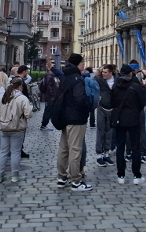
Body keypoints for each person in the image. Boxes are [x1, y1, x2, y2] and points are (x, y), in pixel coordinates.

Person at [55, 53, 92, 191]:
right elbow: (79, 98)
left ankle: (61, 177)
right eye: (82, 62)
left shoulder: (65, 77)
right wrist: (87, 109)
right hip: (76, 118)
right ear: (77, 64)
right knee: (75, 149)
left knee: (63, 149)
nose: (84, 64)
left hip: (64, 117)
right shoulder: (77, 79)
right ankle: (76, 180)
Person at [0, 77, 33, 183]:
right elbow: (28, 114)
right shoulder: (22, 98)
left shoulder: (2, 97)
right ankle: (15, 176)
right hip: (17, 128)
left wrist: (2, 117)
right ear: (20, 87)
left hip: (4, 128)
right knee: (15, 152)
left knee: (3, 152)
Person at [112, 64, 145, 184]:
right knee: (135, 147)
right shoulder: (135, 86)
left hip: (119, 120)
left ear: (121, 73)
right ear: (130, 74)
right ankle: (136, 175)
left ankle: (121, 175)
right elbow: (141, 103)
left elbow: (112, 103)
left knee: (120, 147)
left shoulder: (115, 86)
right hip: (133, 119)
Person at [95, 64, 116, 166]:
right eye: (103, 72)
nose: (103, 74)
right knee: (100, 131)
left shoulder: (117, 81)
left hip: (112, 109)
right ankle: (99, 155)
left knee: (109, 132)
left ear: (111, 73)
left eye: (105, 72)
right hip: (101, 107)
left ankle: (106, 153)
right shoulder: (99, 80)